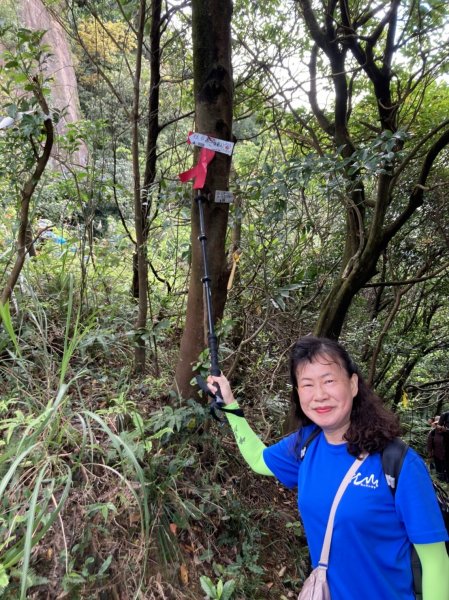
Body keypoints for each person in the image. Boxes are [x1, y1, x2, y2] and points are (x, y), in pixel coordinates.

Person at [207, 336, 449, 600]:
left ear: (353, 384)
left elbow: (436, 561)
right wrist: (229, 403)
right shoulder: (305, 444)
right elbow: (258, 459)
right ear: (298, 393)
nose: (319, 395)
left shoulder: (398, 463)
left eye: (329, 381)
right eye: (307, 384)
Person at [427, 416, 448, 482]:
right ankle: (440, 482)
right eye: (436, 424)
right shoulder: (432, 433)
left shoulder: (446, 432)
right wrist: (430, 453)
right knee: (438, 470)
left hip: (446, 455)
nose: (438, 426)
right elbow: (429, 444)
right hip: (436, 455)